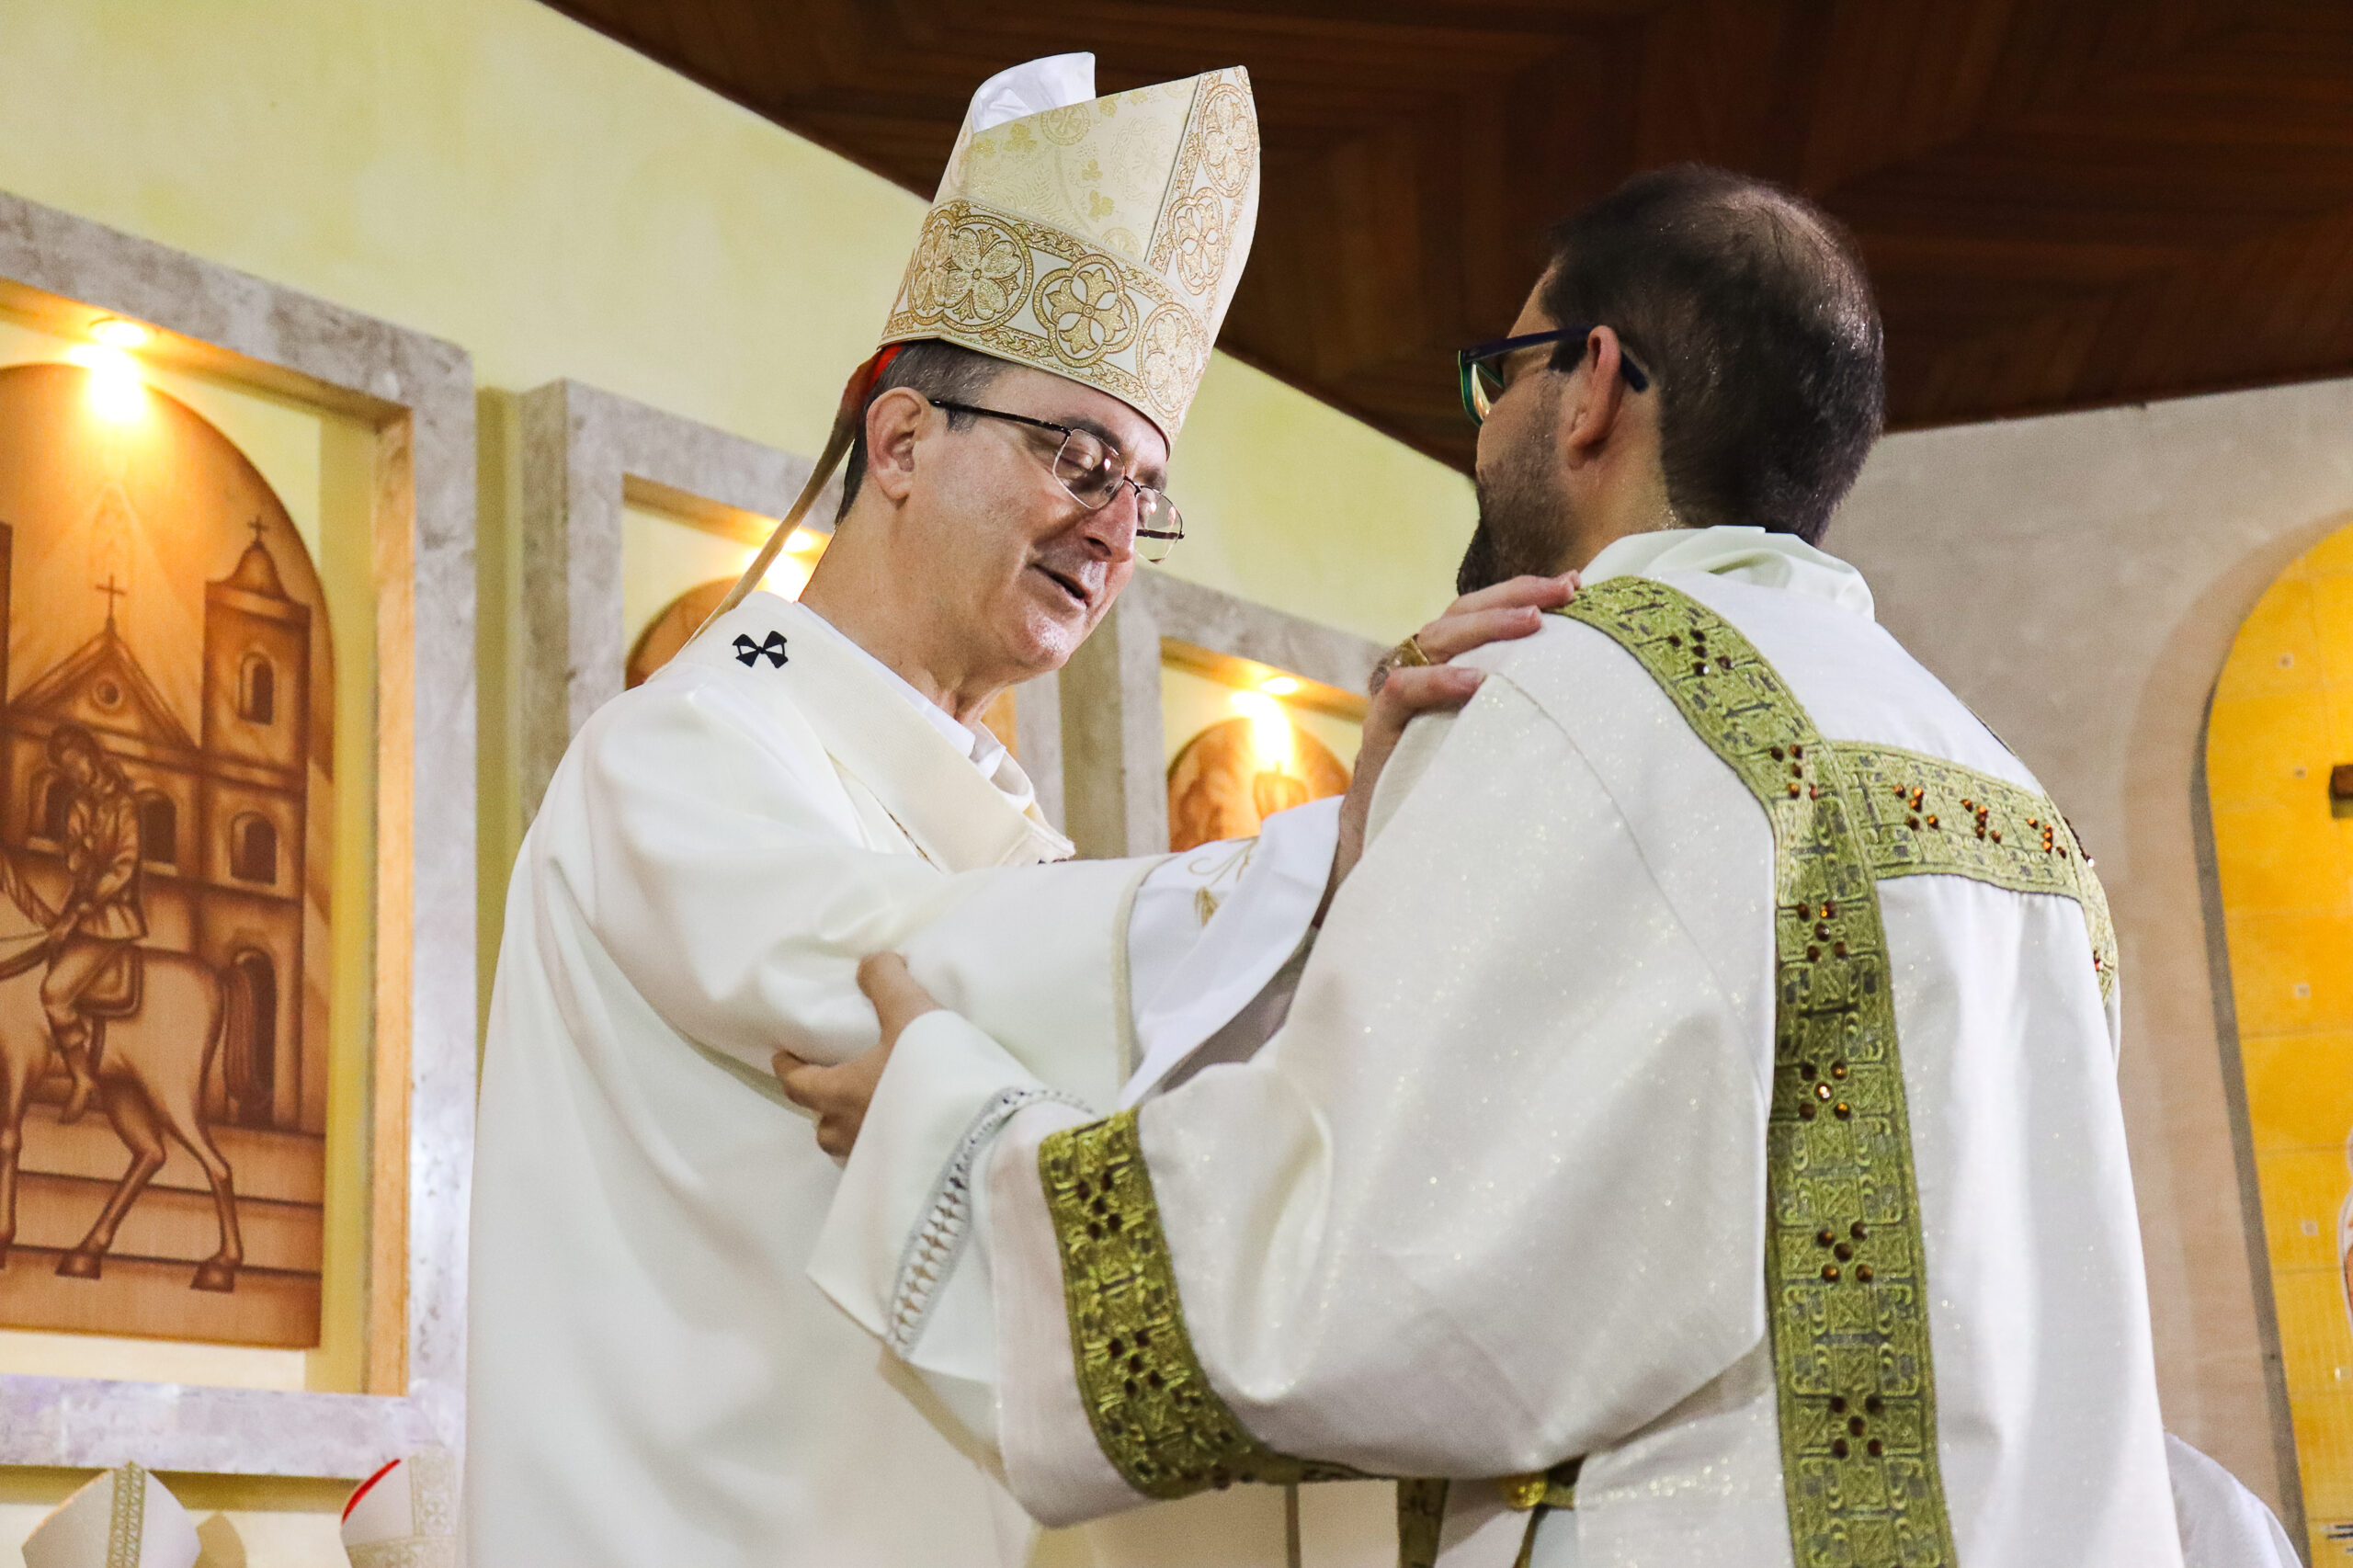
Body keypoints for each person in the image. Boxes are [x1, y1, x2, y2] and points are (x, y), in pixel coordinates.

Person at [787, 165, 2212, 1568]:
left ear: (1592, 386)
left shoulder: (1589, 698)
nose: (1484, 431)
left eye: (1501, 374)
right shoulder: (2005, 796)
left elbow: (1368, 1269)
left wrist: (953, 1138)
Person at [465, 51, 1556, 1568]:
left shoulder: (1002, 832)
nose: (1113, 529)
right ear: (903, 443)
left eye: (1144, 491)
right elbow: (888, 967)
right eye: (1078, 457)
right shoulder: (686, 752)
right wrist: (1313, 869)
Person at [36, 724, 142, 1125]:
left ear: (89, 755)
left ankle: (82, 1077)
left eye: (75, 763)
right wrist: (79, 849)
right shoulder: (78, 806)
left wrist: (84, 905)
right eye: (66, 770)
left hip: (111, 918)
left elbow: (124, 866)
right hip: (80, 912)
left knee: (54, 992)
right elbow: (75, 863)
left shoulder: (124, 805)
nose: (74, 773)